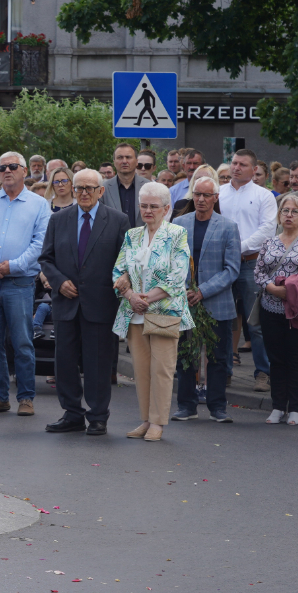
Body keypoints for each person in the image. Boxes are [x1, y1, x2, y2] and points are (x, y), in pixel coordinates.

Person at [38, 168, 129, 435]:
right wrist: (59, 281)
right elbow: (46, 258)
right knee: (65, 362)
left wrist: (123, 280)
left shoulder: (118, 220)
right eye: (79, 188)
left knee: (97, 363)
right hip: (66, 303)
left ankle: (98, 416)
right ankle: (72, 414)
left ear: (100, 191)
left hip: (100, 303)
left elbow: (125, 261)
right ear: (72, 190)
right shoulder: (58, 219)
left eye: (90, 188)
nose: (84, 193)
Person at [0, 152, 51, 416]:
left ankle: (26, 398)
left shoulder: (39, 205)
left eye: (12, 166)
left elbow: (40, 243)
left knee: (22, 343)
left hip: (20, 283)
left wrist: (12, 265)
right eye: (2, 167)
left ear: (24, 171)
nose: (6, 171)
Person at [111, 181, 193, 441]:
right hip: (134, 312)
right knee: (142, 370)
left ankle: (158, 422)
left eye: (153, 206)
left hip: (164, 312)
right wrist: (130, 296)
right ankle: (146, 420)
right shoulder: (132, 235)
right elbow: (118, 270)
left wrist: (144, 299)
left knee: (162, 369)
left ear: (166, 209)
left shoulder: (177, 233)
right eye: (143, 205)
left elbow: (177, 276)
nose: (147, 210)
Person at [249, 192, 298, 424]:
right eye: (285, 211)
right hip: (270, 308)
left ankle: (296, 409)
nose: (289, 215)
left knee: (297, 359)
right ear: (279, 215)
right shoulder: (269, 242)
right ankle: (278, 406)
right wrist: (272, 288)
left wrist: (290, 292)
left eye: (294, 211)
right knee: (276, 359)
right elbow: (258, 272)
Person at [170, 175, 241, 423]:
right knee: (185, 356)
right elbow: (171, 263)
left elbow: (231, 270)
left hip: (216, 302)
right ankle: (186, 405)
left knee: (218, 358)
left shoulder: (228, 227)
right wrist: (184, 290)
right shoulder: (179, 224)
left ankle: (217, 407)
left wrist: (202, 291)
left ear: (215, 198)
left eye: (206, 195)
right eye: (197, 194)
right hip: (185, 300)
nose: (201, 199)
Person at [220, 148, 278, 392]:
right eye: (234, 163)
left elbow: (267, 230)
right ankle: (222, 371)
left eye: (242, 164)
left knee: (255, 322)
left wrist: (238, 247)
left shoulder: (264, 196)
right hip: (222, 264)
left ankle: (263, 373)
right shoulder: (219, 193)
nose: (236, 167)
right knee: (222, 319)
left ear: (254, 169)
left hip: (250, 263)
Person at [102, 142, 145, 228]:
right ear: (114, 162)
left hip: (142, 236)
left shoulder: (149, 186)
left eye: (128, 157)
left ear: (136, 162)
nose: (124, 161)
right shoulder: (103, 188)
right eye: (120, 157)